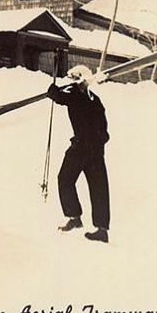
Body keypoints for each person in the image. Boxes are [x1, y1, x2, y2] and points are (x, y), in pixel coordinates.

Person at [46, 65, 111, 243]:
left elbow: (58, 96)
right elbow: (104, 130)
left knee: (65, 179)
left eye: (74, 78)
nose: (72, 82)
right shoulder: (95, 100)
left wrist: (52, 90)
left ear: (80, 80)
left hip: (81, 148)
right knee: (99, 187)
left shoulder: (74, 95)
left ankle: (74, 218)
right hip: (96, 150)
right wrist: (99, 142)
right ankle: (102, 229)